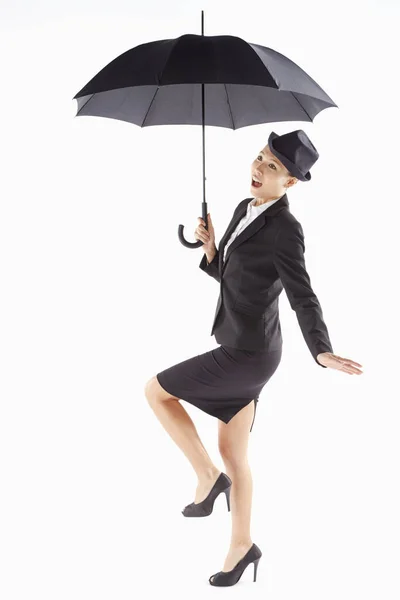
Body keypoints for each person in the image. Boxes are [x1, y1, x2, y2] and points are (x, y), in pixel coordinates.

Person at [144, 129, 363, 587]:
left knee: (156, 391)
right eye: (260, 159)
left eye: (272, 168)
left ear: (291, 183)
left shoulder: (286, 227)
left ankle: (207, 478)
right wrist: (210, 251)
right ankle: (242, 546)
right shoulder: (246, 208)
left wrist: (320, 350)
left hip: (249, 353)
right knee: (234, 453)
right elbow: (235, 277)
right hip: (245, 345)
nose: (258, 170)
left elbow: (303, 294)